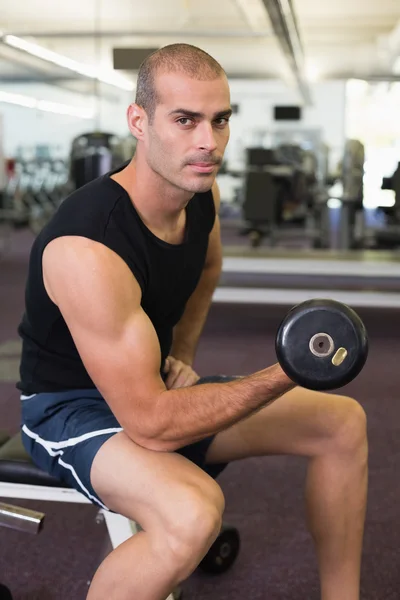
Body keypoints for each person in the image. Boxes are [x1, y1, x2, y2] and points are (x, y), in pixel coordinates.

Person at [17, 43, 368, 600]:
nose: (208, 142)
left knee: (341, 423)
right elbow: (152, 425)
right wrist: (289, 369)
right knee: (192, 512)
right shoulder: (87, 246)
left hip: (145, 386)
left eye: (219, 120)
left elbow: (207, 268)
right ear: (139, 121)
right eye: (185, 120)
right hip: (70, 410)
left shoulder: (197, 197)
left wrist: (181, 351)